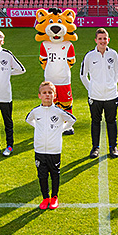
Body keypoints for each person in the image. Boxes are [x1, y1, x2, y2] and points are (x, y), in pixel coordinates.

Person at [25, 81, 76, 210]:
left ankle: (54, 197)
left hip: (54, 149)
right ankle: (45, 198)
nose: (47, 95)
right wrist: (38, 128)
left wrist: (61, 129)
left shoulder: (58, 111)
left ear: (54, 95)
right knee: (42, 175)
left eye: (50, 92)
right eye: (44, 92)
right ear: (39, 95)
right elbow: (28, 119)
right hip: (40, 149)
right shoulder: (36, 111)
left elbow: (72, 120)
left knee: (54, 174)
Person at [79, 28, 118, 159]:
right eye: (100, 39)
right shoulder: (89, 56)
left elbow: (117, 72)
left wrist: (111, 85)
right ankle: (95, 148)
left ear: (108, 40)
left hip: (111, 95)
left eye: (105, 38)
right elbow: (83, 75)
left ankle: (113, 147)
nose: (102, 41)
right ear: (96, 40)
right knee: (95, 122)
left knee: (111, 121)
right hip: (95, 96)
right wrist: (91, 89)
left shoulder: (113, 54)